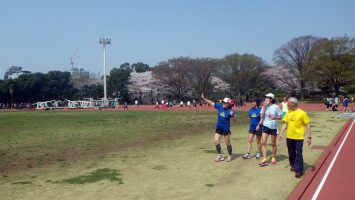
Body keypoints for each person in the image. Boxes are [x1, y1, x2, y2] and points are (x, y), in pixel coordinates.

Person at [279, 97, 312, 178]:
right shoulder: (288, 113)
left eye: (288, 102)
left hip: (299, 138)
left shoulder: (302, 113)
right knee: (291, 152)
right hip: (289, 137)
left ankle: (299, 170)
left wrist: (309, 137)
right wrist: (281, 133)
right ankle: (293, 165)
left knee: (299, 153)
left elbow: (307, 125)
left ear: (293, 103)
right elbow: (285, 124)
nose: (287, 104)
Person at [201, 93, 236, 162]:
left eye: (225, 103)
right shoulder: (219, 106)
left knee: (227, 143)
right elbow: (211, 102)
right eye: (223, 102)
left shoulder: (230, 111)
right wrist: (204, 98)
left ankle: (229, 156)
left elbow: (235, 121)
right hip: (219, 127)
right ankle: (220, 155)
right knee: (216, 141)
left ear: (228, 103)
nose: (223, 103)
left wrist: (233, 115)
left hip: (226, 129)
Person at [259, 93, 283, 166]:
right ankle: (265, 158)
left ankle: (273, 157)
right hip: (265, 126)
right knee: (263, 142)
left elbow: (281, 116)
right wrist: (264, 108)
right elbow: (261, 116)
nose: (265, 99)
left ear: (271, 99)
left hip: (273, 127)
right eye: (265, 97)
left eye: (267, 98)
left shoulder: (275, 107)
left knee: (273, 144)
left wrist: (275, 118)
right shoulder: (264, 106)